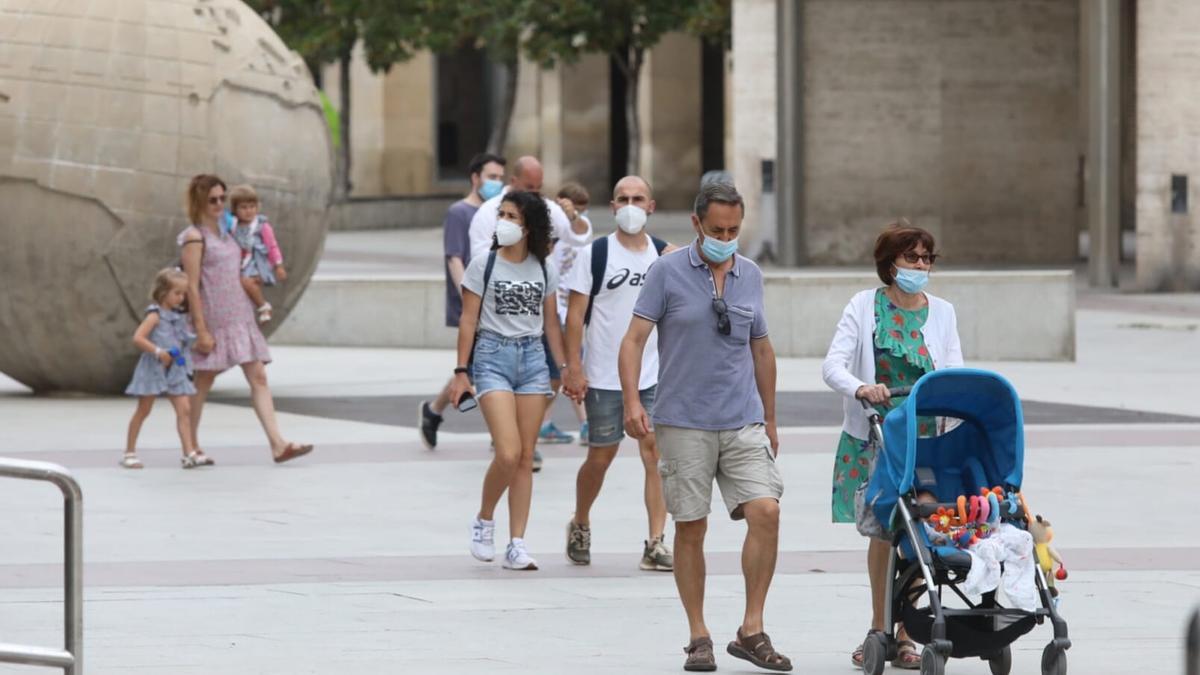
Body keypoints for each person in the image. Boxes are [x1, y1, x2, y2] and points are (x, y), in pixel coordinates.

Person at [619, 182, 791, 672]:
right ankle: (699, 635)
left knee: (766, 511)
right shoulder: (666, 272)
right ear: (697, 224)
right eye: (717, 229)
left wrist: (771, 417)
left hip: (742, 420)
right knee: (691, 527)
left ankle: (751, 628)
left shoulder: (751, 275)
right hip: (682, 420)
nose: (726, 237)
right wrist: (633, 401)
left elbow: (761, 348)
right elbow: (633, 341)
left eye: (734, 230)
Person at [821, 220, 963, 670]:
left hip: (926, 438)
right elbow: (833, 365)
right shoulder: (864, 306)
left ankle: (908, 633)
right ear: (890, 264)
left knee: (920, 528)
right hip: (877, 434)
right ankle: (879, 628)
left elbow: (954, 370)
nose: (920, 266)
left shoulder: (942, 311)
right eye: (911, 258)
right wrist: (863, 387)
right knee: (885, 532)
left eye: (926, 259)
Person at [449, 190, 569, 571]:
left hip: (532, 358)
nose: (503, 221)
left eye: (512, 216)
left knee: (524, 456)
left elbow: (551, 322)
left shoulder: (544, 267)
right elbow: (468, 320)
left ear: (529, 225)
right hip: (491, 357)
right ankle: (484, 519)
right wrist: (460, 372)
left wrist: (564, 369)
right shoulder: (483, 264)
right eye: (501, 214)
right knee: (508, 452)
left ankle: (517, 542)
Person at [562, 175, 674, 571]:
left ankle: (656, 541)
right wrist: (573, 367)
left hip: (653, 374)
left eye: (637, 198)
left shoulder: (664, 255)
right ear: (612, 207)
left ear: (651, 205)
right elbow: (575, 316)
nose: (630, 205)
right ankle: (580, 521)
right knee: (600, 456)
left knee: (655, 454)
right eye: (623, 199)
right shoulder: (595, 254)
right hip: (604, 375)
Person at [178, 174, 312, 465]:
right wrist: (200, 329)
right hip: (214, 318)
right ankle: (191, 447)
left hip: (240, 314)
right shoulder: (194, 236)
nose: (218, 204)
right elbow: (191, 285)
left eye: (222, 198)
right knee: (203, 381)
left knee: (259, 377)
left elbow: (252, 253)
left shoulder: (231, 232)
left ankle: (278, 444)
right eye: (212, 199)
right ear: (199, 200)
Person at [467, 156, 591, 462]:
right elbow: (480, 270)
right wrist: (460, 370)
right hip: (497, 330)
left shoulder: (545, 211)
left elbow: (580, 236)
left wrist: (573, 215)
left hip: (539, 327)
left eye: (539, 188)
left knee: (551, 375)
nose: (535, 193)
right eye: (529, 187)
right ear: (514, 181)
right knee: (511, 451)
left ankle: (527, 436)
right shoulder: (487, 214)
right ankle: (507, 440)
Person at [418, 152, 507, 450]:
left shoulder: (501, 212)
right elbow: (455, 258)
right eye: (491, 177)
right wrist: (469, 298)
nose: (497, 183)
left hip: (497, 302)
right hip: (472, 303)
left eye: (500, 178)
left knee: (477, 366)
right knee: (483, 367)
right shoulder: (459, 212)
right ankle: (500, 432)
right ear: (475, 178)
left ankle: (433, 411)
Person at [122, 268, 200, 469]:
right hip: (154, 367)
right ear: (163, 292)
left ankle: (189, 452)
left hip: (176, 368)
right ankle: (129, 452)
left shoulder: (178, 316)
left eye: (183, 294)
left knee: (184, 409)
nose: (181, 298)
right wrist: (157, 351)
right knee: (144, 409)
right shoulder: (154, 316)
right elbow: (138, 338)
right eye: (177, 293)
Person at [537, 181, 592, 445]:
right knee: (564, 371)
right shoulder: (552, 231)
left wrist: (573, 216)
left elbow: (582, 230)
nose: (581, 214)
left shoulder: (579, 228)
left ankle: (543, 422)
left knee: (565, 372)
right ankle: (580, 423)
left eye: (584, 209)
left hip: (573, 308)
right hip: (555, 309)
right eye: (576, 207)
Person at [227, 184, 287, 324]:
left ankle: (263, 306)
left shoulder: (261, 226)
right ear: (235, 209)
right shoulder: (233, 226)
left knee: (247, 281)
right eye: (243, 207)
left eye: (252, 206)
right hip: (238, 263)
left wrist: (278, 265)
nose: (248, 211)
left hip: (255, 263)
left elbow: (272, 246)